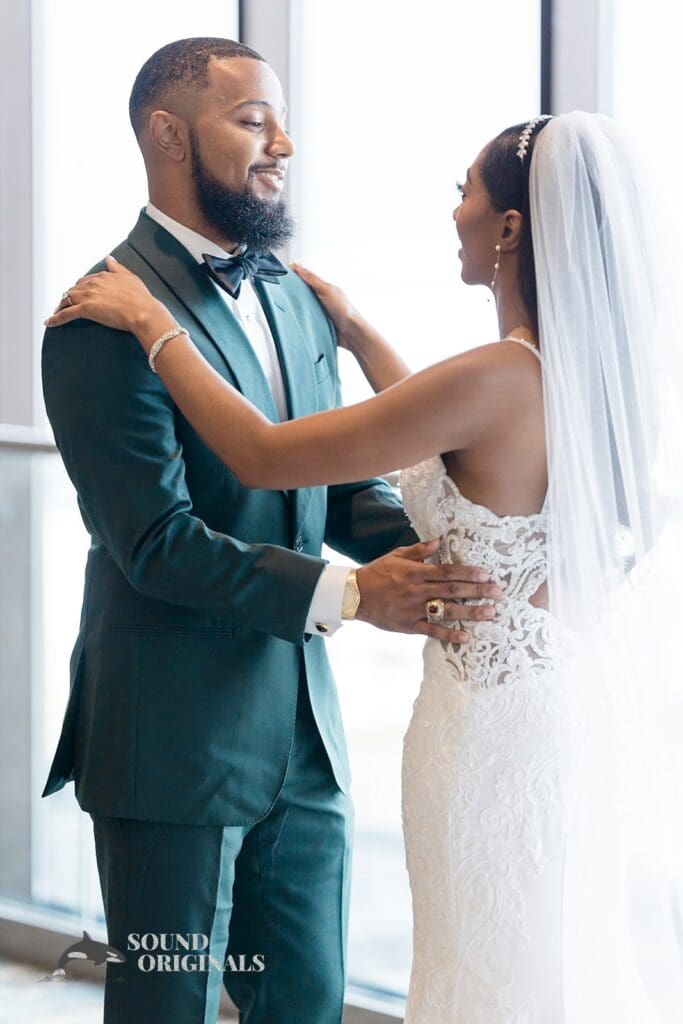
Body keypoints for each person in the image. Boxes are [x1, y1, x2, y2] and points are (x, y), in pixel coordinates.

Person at [48, 111, 683, 1021]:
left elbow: (268, 457)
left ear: (510, 228)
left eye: (464, 189)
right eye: (250, 117)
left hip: (484, 737)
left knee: (484, 971)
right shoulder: (576, 381)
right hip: (535, 710)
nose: (452, 208)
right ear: (169, 134)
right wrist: (351, 326)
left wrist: (158, 330)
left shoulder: (497, 375)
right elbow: (439, 454)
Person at [40, 37, 500, 1024]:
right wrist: (352, 598)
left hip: (305, 742)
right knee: (164, 1006)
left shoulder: (297, 297)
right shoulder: (99, 317)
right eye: (251, 119)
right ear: (167, 135)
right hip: (168, 740)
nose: (281, 143)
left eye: (278, 120)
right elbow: (154, 542)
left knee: (304, 1004)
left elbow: (330, 491)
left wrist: (444, 562)